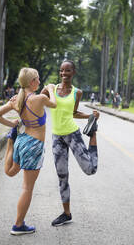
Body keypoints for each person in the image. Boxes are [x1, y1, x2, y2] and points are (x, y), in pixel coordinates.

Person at [0, 67, 57, 235]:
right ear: (32, 81)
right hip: (34, 145)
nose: (40, 81)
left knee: (11, 172)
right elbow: (54, 103)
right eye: (38, 79)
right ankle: (18, 225)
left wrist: (12, 125)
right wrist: (50, 89)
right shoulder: (40, 98)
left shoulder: (16, 99)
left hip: (22, 140)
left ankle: (10, 141)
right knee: (27, 188)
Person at [41, 60, 100, 227]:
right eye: (61, 71)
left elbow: (74, 113)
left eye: (67, 71)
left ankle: (93, 136)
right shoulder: (51, 90)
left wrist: (90, 116)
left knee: (90, 169)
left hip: (73, 134)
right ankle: (66, 213)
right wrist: (43, 90)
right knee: (62, 175)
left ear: (73, 72)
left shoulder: (77, 92)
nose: (63, 73)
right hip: (56, 138)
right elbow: (37, 100)